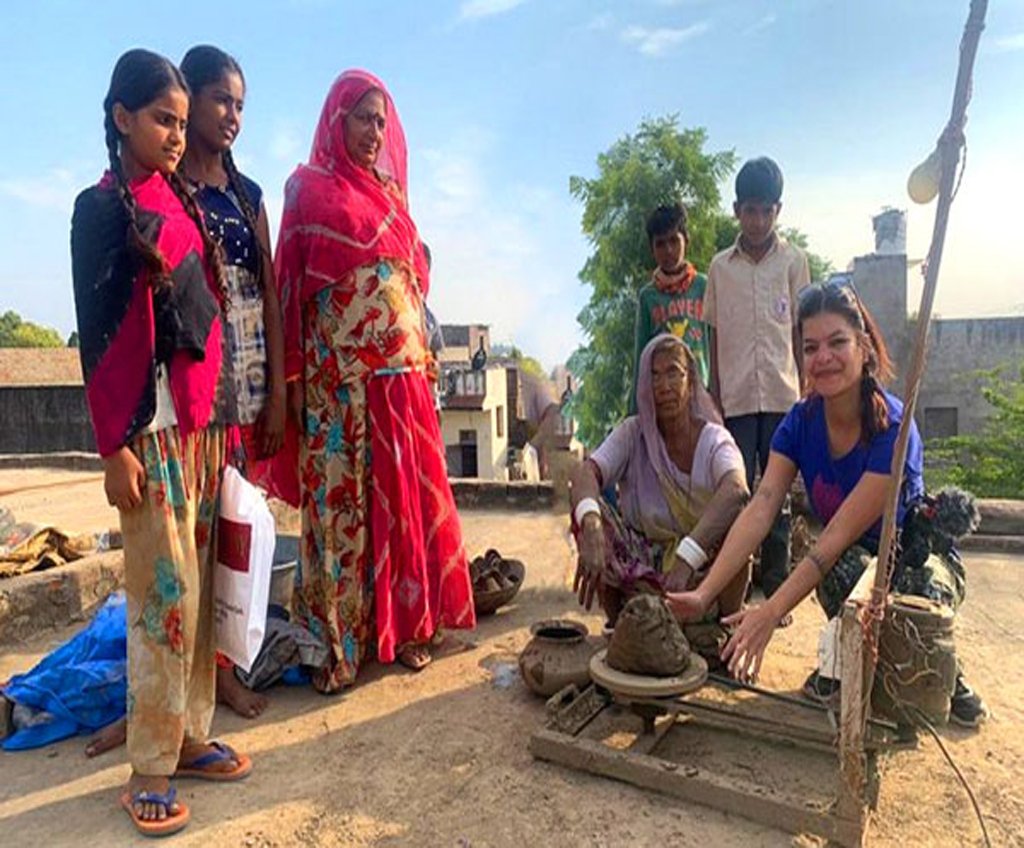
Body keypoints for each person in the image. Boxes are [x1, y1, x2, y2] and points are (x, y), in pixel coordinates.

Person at [668, 282, 988, 728]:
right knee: (841, 573)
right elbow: (761, 505)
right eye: (810, 347)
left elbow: (834, 534)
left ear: (864, 347)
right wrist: (704, 593)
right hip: (853, 559)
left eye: (837, 342)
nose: (824, 358)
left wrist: (770, 612)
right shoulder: (799, 422)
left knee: (914, 624)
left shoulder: (894, 428)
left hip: (914, 559)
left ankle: (945, 671)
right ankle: (847, 663)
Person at [70, 49, 251, 837]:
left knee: (202, 594)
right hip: (148, 435)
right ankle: (148, 764)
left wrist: (224, 428)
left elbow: (204, 324)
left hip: (202, 432)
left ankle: (191, 734)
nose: (177, 135)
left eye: (182, 121)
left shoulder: (180, 202)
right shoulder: (100, 209)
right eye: (162, 120)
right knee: (159, 602)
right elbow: (101, 336)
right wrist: (115, 448)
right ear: (121, 118)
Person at [274, 70, 475, 693]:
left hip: (405, 383)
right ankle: (341, 642)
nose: (374, 131)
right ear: (337, 119)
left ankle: (410, 627)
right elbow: (289, 287)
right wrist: (291, 383)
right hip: (342, 390)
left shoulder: (393, 197)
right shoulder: (306, 191)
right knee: (341, 516)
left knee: (406, 509)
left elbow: (411, 282)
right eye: (363, 117)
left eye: (382, 121)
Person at [179, 44, 285, 721]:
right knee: (189, 534)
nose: (233, 115)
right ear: (187, 98)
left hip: (245, 384)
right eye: (222, 99)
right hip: (193, 385)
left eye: (241, 104)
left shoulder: (247, 196)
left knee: (235, 535)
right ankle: (181, 680)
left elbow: (270, 296)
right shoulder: (167, 190)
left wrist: (276, 392)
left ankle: (223, 671)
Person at [571, 334, 749, 626]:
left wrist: (687, 557)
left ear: (691, 382)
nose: (663, 386)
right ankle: (623, 629)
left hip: (702, 570)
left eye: (673, 373)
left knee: (741, 530)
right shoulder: (633, 434)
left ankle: (724, 632)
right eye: (654, 376)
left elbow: (737, 490)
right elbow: (585, 473)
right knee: (592, 513)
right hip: (644, 570)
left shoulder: (714, 439)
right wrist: (589, 526)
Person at [704, 156, 811, 602]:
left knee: (778, 494)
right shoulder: (719, 267)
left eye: (767, 210)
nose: (759, 220)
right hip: (737, 397)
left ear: (778, 211)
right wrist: (714, 393)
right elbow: (711, 330)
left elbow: (802, 330)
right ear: (736, 210)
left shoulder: (793, 262)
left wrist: (807, 392)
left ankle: (775, 586)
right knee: (738, 491)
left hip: (784, 396)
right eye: (751, 210)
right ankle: (736, 584)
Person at [630, 203, 710, 414]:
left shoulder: (704, 286)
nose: (669, 250)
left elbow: (716, 344)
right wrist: (635, 412)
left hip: (701, 394)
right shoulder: (648, 296)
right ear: (652, 249)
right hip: (664, 399)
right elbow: (641, 355)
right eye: (660, 244)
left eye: (674, 241)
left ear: (687, 240)